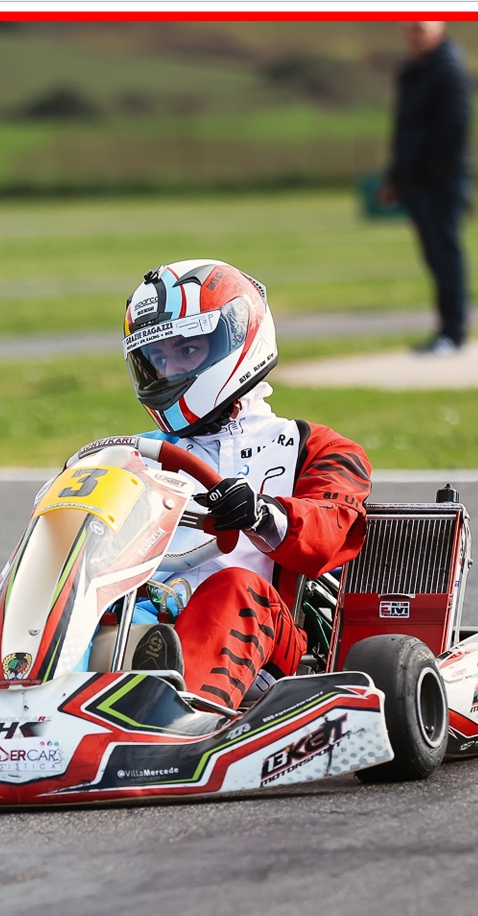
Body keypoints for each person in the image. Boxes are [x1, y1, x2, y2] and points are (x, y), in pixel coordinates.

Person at [120, 260, 371, 713]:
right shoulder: (134, 454)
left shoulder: (316, 448)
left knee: (233, 586)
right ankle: (6, 696)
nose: (169, 370)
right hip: (143, 621)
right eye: (158, 358)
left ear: (237, 341)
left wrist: (262, 514)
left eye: (187, 350)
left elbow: (329, 533)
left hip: (268, 641)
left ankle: (178, 717)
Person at [381, 21, 473, 355]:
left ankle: (453, 332)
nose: (413, 35)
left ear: (439, 28)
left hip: (441, 181)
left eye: (420, 28)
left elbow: (454, 130)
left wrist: (430, 175)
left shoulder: (449, 70)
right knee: (434, 257)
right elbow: (404, 129)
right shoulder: (413, 71)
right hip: (416, 182)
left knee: (445, 257)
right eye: (409, 29)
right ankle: (445, 330)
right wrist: (397, 177)